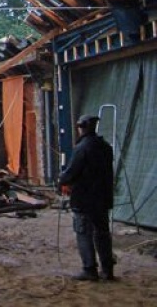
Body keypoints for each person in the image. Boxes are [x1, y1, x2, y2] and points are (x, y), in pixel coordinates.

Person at [59, 114, 115, 281]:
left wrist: (62, 179)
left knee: (83, 232)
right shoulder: (106, 147)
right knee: (102, 233)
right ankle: (107, 269)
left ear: (81, 127)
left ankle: (89, 269)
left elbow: (71, 173)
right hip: (103, 198)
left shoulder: (82, 148)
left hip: (84, 199)